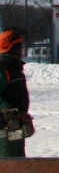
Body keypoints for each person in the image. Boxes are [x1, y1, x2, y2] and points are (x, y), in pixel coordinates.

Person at [0, 28, 31, 157]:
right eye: (21, 47)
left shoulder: (13, 67)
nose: (23, 50)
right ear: (15, 48)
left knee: (18, 163)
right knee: (8, 166)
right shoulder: (3, 68)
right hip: (4, 129)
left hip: (15, 126)